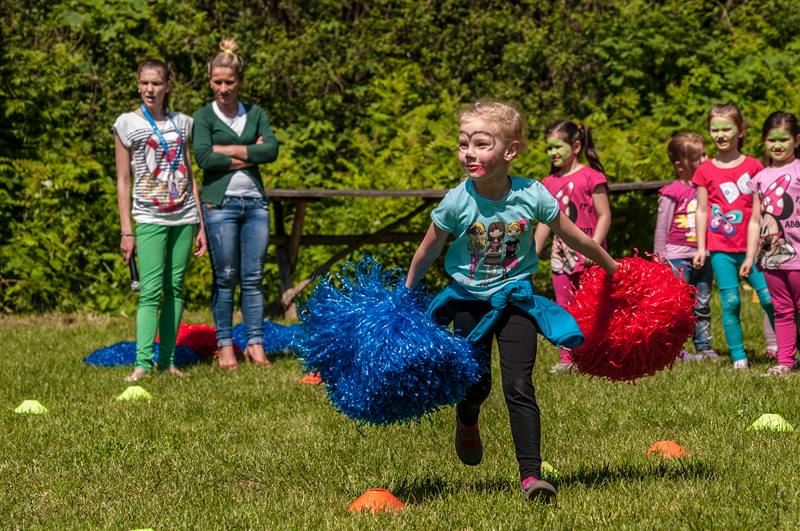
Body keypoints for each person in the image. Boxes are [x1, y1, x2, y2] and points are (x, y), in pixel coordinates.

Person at [405, 101, 619, 502]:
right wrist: (406, 294)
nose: (469, 153)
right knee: (477, 384)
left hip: (516, 300)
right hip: (469, 302)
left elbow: (573, 235)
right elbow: (428, 249)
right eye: (463, 144)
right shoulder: (457, 201)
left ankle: (531, 476)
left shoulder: (531, 193)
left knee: (519, 384)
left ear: (510, 151)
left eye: (481, 144)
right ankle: (467, 418)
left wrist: (612, 267)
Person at [114, 59, 207, 382]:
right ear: (138, 85)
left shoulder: (183, 123)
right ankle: (142, 363)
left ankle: (167, 361)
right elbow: (123, 180)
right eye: (144, 83)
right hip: (149, 215)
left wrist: (200, 223)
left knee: (175, 288)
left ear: (168, 86)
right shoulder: (126, 123)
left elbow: (190, 173)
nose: (150, 89)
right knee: (150, 290)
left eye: (156, 83)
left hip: (184, 215)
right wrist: (127, 231)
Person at [192, 39, 279, 370]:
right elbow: (203, 158)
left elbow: (270, 150)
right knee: (225, 276)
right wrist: (249, 152)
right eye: (217, 82)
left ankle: (255, 344)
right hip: (219, 206)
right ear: (210, 81)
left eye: (229, 82)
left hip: (255, 204)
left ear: (239, 81)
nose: (223, 88)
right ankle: (225, 345)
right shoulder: (204, 116)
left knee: (253, 277)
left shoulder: (255, 114)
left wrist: (225, 150)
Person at [692, 103, 774, 369]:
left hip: (753, 248)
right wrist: (701, 247)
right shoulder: (704, 171)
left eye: (726, 129)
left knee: (769, 299)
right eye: (715, 130)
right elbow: (701, 210)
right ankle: (739, 357)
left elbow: (762, 210)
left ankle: (782, 349)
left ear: (740, 130)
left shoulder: (754, 166)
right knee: (730, 301)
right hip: (720, 250)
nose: (720, 135)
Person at [533, 120, 611, 373]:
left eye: (558, 146)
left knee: (594, 306)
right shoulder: (547, 183)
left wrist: (594, 247)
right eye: (549, 148)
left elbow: (604, 216)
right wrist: (533, 252)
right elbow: (545, 222)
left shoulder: (592, 177)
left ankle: (597, 354)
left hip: (591, 255)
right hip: (561, 257)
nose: (552, 152)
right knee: (565, 306)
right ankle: (568, 358)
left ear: (576, 146)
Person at [742, 111, 800, 375]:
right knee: (782, 310)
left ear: (796, 140)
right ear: (764, 141)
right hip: (770, 257)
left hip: (798, 255)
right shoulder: (760, 178)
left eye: (783, 139)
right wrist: (749, 255)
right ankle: (785, 361)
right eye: (771, 140)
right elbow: (755, 220)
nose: (777, 145)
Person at [654, 133, 719, 361]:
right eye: (698, 157)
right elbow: (662, 227)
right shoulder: (672, 191)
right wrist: (659, 259)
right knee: (677, 306)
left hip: (703, 254)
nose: (705, 160)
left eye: (705, 154)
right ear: (680, 166)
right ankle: (676, 349)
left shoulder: (709, 188)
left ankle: (704, 346)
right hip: (677, 257)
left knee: (702, 303)